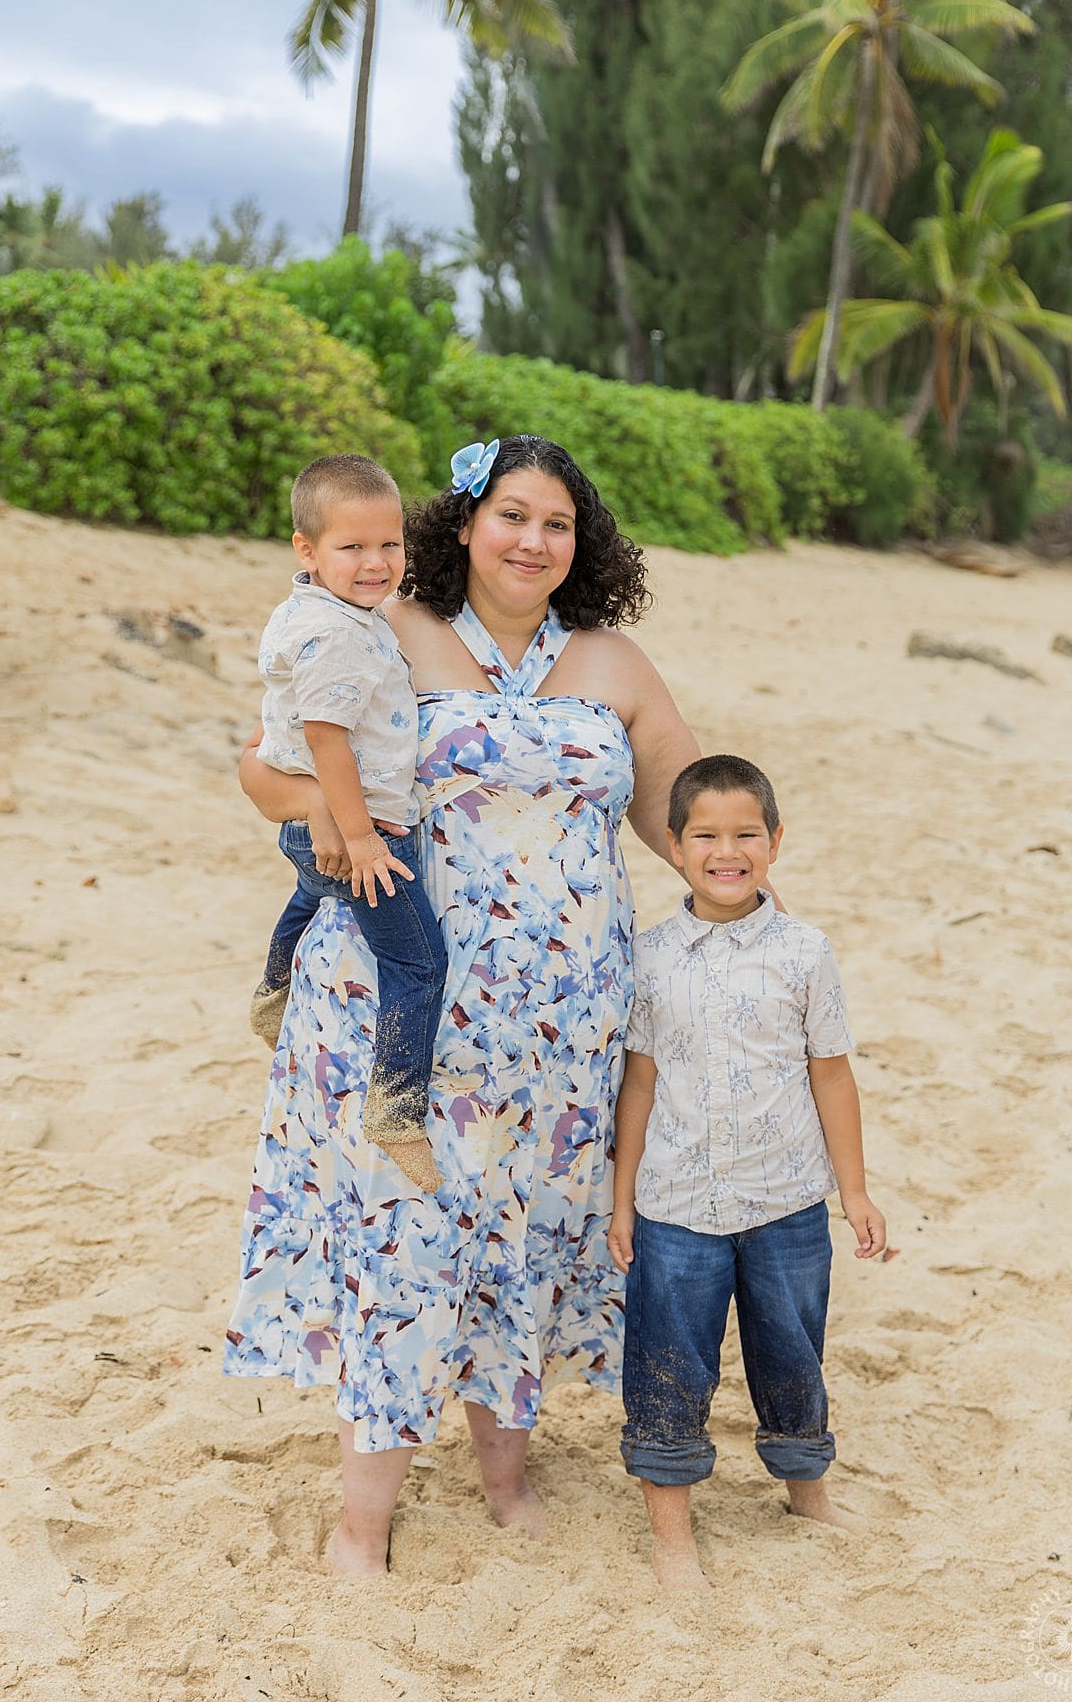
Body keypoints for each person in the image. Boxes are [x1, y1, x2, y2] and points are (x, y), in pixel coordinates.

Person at [225, 434, 700, 1576]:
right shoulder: (386, 627)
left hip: (566, 1031)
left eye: (558, 524)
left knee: (524, 1236)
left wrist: (745, 882)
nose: (534, 541)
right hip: (404, 1011)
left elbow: (682, 806)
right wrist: (337, 824)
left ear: (583, 545)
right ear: (465, 523)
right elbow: (264, 769)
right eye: (512, 516)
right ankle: (362, 1523)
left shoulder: (614, 662)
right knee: (405, 1244)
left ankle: (504, 1477)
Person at [607, 754, 886, 1592]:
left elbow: (831, 1072)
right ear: (673, 844)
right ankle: (672, 1536)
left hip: (787, 1198)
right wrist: (621, 1203)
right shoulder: (651, 956)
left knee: (793, 1349)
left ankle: (808, 1490)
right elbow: (640, 1083)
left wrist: (856, 1190)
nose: (726, 851)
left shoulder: (805, 952)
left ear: (774, 843)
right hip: (676, 1202)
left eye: (745, 834)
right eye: (706, 835)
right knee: (668, 1360)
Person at [249, 452, 446, 1194]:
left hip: (315, 832)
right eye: (352, 547)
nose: (376, 563)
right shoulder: (338, 635)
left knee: (311, 893)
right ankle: (396, 1106)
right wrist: (361, 834)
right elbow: (328, 734)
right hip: (358, 831)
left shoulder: (318, 612)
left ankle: (273, 991)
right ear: (307, 550)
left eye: (389, 545)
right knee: (418, 962)